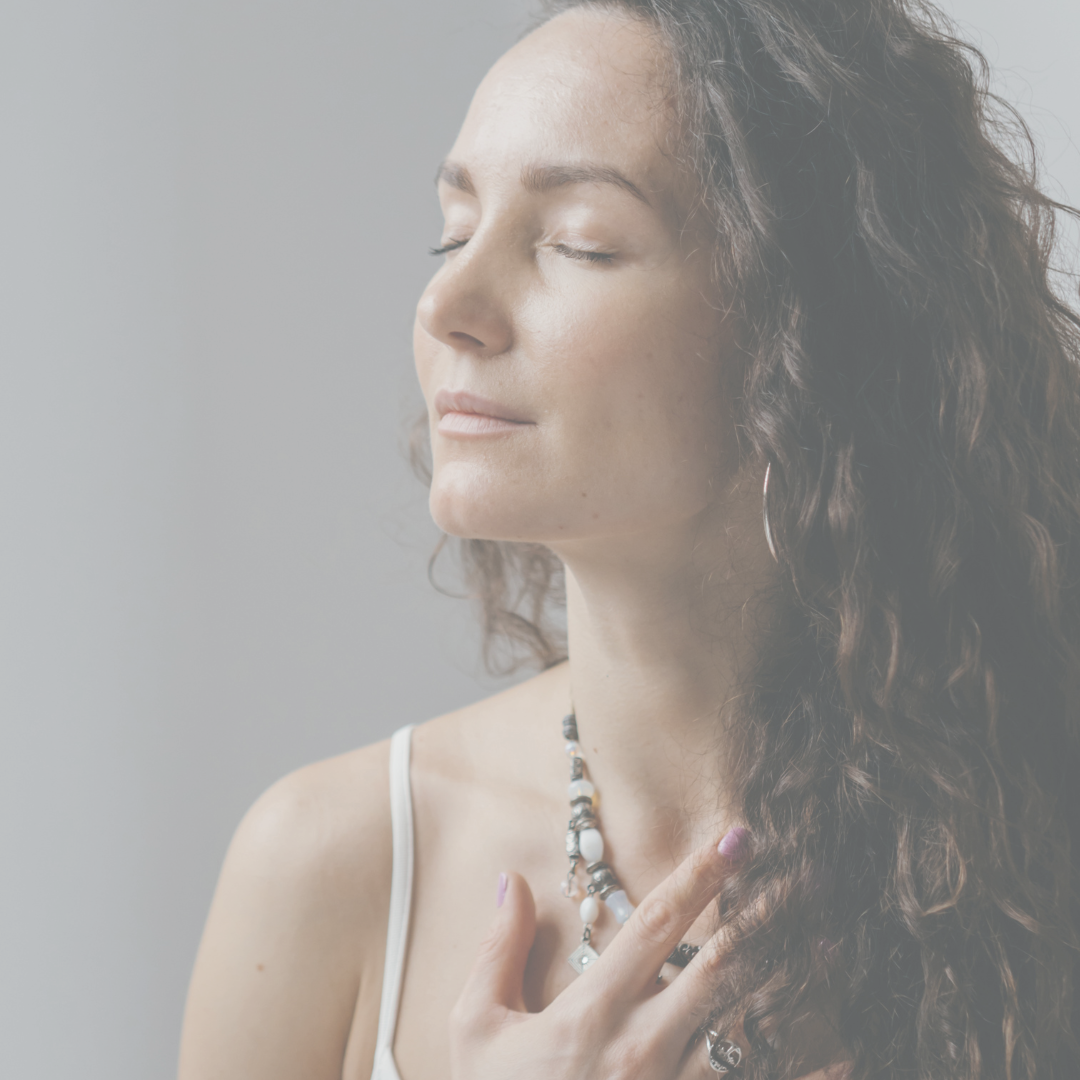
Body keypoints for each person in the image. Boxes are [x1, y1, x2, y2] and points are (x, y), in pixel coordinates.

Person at [177, 0, 1080, 1077]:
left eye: (580, 243)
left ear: (810, 329)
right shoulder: (327, 865)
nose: (446, 300)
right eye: (452, 231)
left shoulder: (1040, 832)